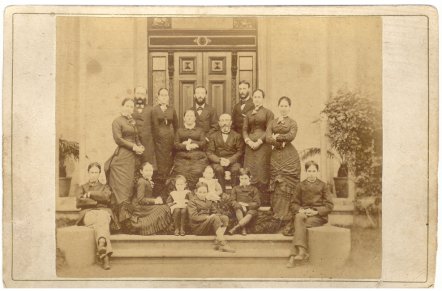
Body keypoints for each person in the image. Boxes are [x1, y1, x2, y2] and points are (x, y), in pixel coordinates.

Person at [286, 161, 334, 268]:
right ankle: (302, 251)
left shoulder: (323, 186)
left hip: (318, 216)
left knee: (299, 225)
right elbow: (293, 204)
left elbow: (329, 206)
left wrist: (316, 211)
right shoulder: (300, 185)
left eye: (314, 171)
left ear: (317, 172)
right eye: (309, 171)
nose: (311, 174)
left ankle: (292, 257)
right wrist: (301, 210)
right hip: (303, 213)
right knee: (299, 217)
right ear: (306, 172)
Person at [266, 96, 301, 223]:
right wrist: (279, 142)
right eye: (281, 106)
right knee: (277, 183)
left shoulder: (292, 122)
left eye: (286, 106)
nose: (283, 108)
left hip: (290, 157)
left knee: (288, 182)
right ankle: (277, 213)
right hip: (276, 155)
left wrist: (278, 136)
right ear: (278, 107)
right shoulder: (272, 122)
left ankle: (287, 214)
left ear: (289, 108)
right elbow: (268, 138)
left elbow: (291, 136)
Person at [76, 162, 116, 270]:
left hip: (103, 212)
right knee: (100, 221)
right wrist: (97, 202)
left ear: (99, 174)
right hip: (88, 213)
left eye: (96, 172)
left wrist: (90, 194)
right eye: (91, 172)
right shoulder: (82, 187)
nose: (93, 174)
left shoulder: (105, 187)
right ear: (88, 173)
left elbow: (107, 198)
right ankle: (103, 248)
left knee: (101, 218)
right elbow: (79, 202)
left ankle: (103, 250)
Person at [105, 98, 144, 207]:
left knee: (129, 184)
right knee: (121, 184)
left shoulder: (132, 122)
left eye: (131, 106)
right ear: (122, 106)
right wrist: (133, 147)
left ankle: (128, 212)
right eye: (127, 105)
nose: (129, 108)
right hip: (122, 155)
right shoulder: (117, 121)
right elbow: (118, 139)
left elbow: (136, 137)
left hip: (133, 156)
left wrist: (140, 146)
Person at [118, 162, 172, 235]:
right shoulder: (141, 182)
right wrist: (155, 201)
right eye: (146, 170)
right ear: (141, 171)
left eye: (150, 170)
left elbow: (147, 195)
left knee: (163, 207)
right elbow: (141, 200)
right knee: (163, 208)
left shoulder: (146, 181)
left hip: (144, 205)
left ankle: (155, 228)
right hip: (139, 207)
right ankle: (149, 228)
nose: (149, 173)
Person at [242, 89, 274, 205]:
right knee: (250, 170)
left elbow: (269, 129)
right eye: (255, 97)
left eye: (259, 97)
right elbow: (245, 129)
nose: (257, 99)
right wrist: (248, 140)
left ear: (263, 98)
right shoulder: (249, 114)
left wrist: (259, 141)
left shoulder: (268, 113)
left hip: (263, 145)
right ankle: (251, 200)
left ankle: (263, 201)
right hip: (250, 146)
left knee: (262, 171)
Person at [187, 182, 235, 252]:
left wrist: (216, 216)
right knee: (214, 217)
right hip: (198, 227)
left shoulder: (209, 201)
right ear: (196, 192)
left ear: (207, 192)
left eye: (204, 192)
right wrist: (208, 217)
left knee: (225, 218)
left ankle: (217, 240)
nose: (202, 194)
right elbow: (193, 216)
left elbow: (215, 212)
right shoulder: (192, 201)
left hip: (208, 224)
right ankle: (223, 244)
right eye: (200, 192)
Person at [172, 109, 209, 189]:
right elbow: (175, 144)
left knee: (197, 171)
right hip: (182, 157)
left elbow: (203, 143)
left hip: (198, 157)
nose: (189, 118)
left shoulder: (200, 130)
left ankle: (195, 191)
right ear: (184, 118)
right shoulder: (179, 131)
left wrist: (193, 143)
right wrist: (185, 146)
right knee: (182, 172)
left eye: (191, 116)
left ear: (195, 118)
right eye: (187, 116)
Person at [206, 113, 244, 191]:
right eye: (222, 120)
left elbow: (240, 152)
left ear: (231, 122)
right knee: (218, 170)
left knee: (236, 169)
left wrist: (230, 160)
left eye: (227, 120)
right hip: (218, 161)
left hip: (233, 161)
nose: (225, 123)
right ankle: (222, 193)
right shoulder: (213, 136)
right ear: (219, 123)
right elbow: (210, 152)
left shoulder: (237, 136)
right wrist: (219, 160)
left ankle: (235, 192)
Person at [152, 88, 178, 187]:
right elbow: (153, 126)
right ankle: (160, 186)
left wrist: (175, 139)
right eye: (162, 95)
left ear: (168, 97)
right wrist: (156, 140)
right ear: (158, 97)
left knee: (169, 162)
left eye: (166, 95)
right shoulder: (154, 109)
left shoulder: (172, 109)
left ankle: (168, 186)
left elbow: (176, 126)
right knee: (160, 163)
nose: (164, 97)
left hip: (170, 139)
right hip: (158, 141)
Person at [228, 168, 261, 236]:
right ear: (239, 178)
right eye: (242, 178)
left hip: (250, 209)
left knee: (251, 212)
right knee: (237, 207)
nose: (243, 180)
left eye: (245, 178)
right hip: (239, 209)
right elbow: (232, 200)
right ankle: (243, 228)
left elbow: (257, 203)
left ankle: (236, 227)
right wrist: (240, 205)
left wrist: (247, 205)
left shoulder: (254, 189)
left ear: (249, 178)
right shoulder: (235, 188)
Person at [132, 86, 157, 169]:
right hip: (133, 143)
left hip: (148, 145)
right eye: (138, 93)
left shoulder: (151, 109)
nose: (140, 96)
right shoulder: (130, 108)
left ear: (146, 95)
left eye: (142, 94)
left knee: (147, 167)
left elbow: (155, 128)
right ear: (134, 94)